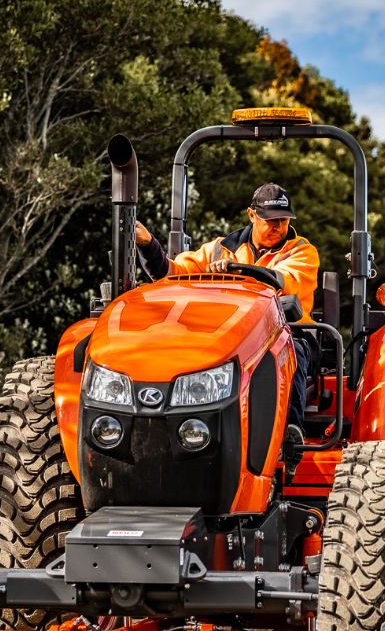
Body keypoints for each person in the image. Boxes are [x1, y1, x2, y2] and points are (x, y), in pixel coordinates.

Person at [135, 183, 319, 449]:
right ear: (251, 215)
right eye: (270, 220)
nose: (278, 226)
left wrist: (237, 271)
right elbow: (172, 275)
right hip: (234, 336)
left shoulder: (300, 250)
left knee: (290, 350)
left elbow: (286, 281)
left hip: (287, 330)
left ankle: (290, 433)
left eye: (283, 219)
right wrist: (148, 245)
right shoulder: (220, 249)